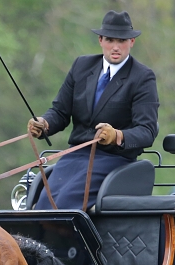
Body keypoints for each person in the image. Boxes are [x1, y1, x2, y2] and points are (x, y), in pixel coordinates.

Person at [27, 10, 159, 210]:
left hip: (113, 159)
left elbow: (147, 131)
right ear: (100, 40)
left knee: (63, 206)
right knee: (43, 205)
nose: (115, 47)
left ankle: (67, 241)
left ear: (131, 42)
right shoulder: (81, 66)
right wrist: (44, 123)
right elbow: (60, 112)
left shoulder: (142, 77)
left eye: (122, 40)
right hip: (75, 156)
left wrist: (117, 135)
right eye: (110, 40)